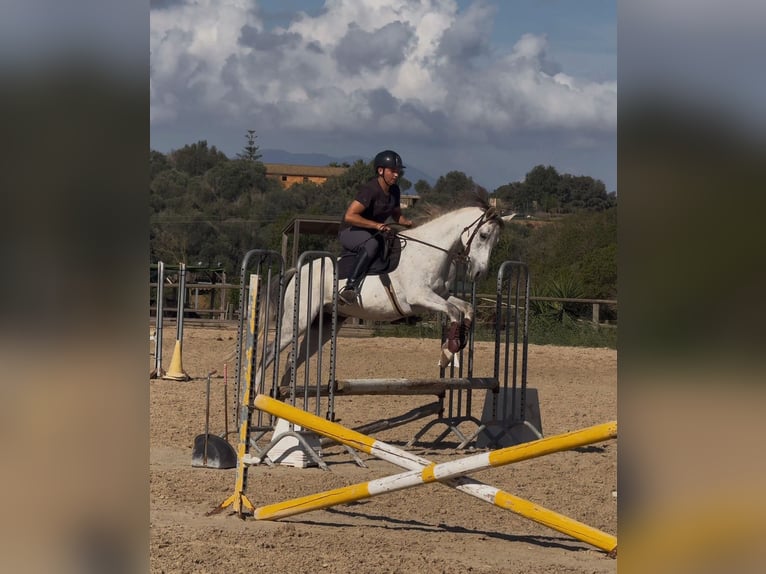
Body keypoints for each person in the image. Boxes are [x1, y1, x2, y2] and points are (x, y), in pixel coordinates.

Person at [338, 149, 413, 304]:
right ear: (380, 170)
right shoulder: (370, 189)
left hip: (373, 231)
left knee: (398, 242)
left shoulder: (395, 190)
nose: (396, 175)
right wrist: (376, 225)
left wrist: (410, 224)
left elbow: (397, 215)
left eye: (398, 171)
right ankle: (349, 288)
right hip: (350, 231)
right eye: (392, 171)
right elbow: (350, 216)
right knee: (371, 243)